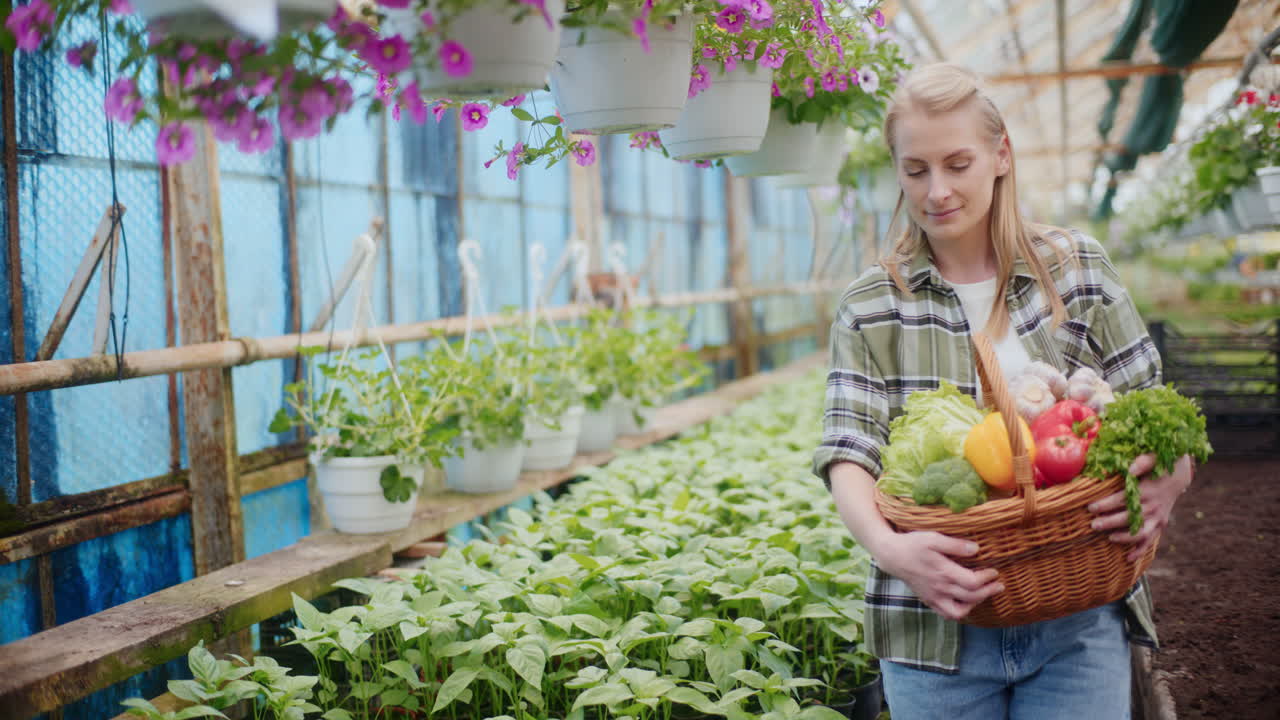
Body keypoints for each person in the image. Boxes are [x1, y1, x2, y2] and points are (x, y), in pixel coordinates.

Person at [812, 63, 1196, 719]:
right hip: (933, 626)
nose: (936, 191)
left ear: (1001, 154)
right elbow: (849, 448)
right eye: (915, 170)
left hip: (1079, 613)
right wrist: (893, 550)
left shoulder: (1076, 270)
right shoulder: (872, 304)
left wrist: (1170, 478)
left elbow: (1159, 413)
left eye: (958, 163)